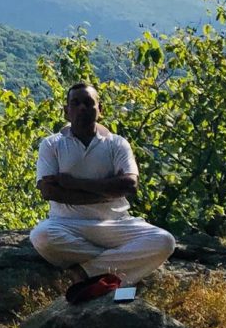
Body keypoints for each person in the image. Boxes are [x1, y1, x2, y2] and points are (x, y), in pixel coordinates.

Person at [30, 82, 176, 302]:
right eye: (75, 103)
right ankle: (121, 269)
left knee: (165, 241)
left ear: (100, 109)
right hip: (67, 224)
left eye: (88, 103)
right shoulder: (52, 145)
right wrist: (107, 191)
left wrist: (72, 182)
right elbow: (50, 192)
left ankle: (84, 273)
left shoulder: (117, 144)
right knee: (41, 236)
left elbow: (129, 186)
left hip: (116, 224)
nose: (82, 108)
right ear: (66, 111)